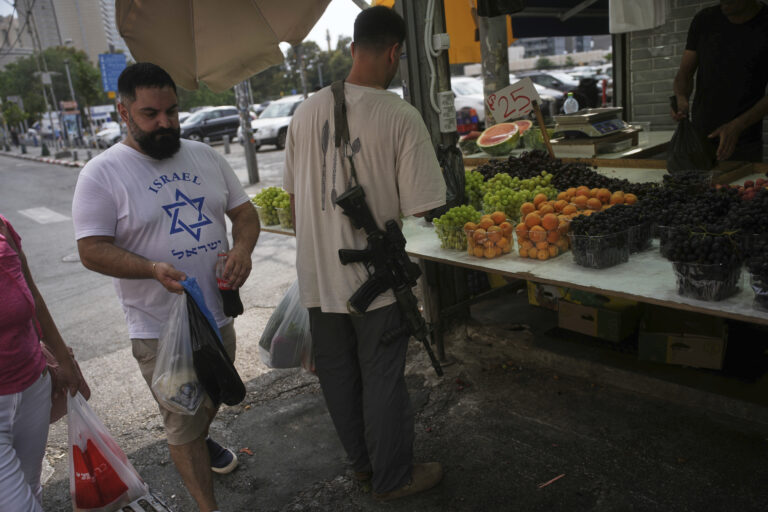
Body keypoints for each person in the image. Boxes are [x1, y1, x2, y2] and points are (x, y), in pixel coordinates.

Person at [71, 62, 260, 512]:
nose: (165, 123)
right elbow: (91, 250)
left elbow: (245, 215)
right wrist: (152, 269)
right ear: (124, 112)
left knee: (209, 402)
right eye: (151, 114)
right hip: (160, 333)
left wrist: (243, 251)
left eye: (172, 112)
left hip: (217, 316)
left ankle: (201, 439)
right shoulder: (102, 174)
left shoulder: (205, 156)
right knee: (182, 424)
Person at [283, 6, 447, 503]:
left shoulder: (304, 111)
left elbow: (292, 205)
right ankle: (393, 477)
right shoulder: (399, 115)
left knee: (338, 377)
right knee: (382, 380)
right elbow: (425, 207)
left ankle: (362, 467)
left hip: (317, 281)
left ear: (354, 48)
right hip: (373, 287)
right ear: (396, 52)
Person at [1, 214, 81, 512]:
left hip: (33, 384)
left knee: (31, 488)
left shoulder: (2, 226)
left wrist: (62, 359)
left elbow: (32, 295)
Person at [672, 0, 768, 162]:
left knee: (740, 188)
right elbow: (684, 74)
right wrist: (681, 96)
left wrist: (737, 126)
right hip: (700, 138)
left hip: (744, 140)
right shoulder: (705, 20)